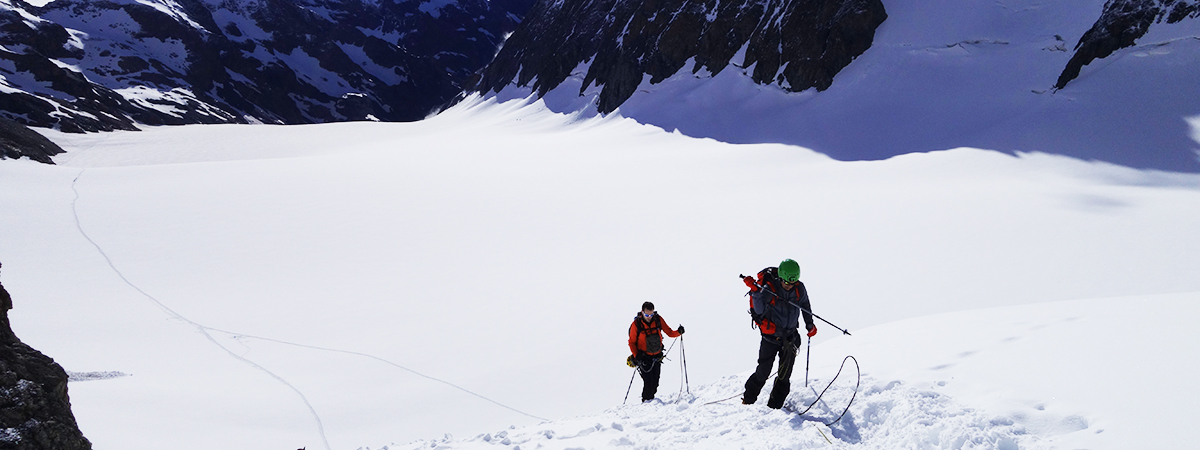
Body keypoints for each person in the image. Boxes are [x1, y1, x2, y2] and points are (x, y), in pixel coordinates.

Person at [740, 259, 816, 409]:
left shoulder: (799, 289)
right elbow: (760, 310)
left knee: (784, 376)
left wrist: (809, 324)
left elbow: (805, 305)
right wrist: (755, 292)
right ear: (780, 277)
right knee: (763, 372)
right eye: (787, 283)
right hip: (770, 338)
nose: (789, 286)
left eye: (792, 283)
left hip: (790, 337)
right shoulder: (769, 288)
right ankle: (748, 401)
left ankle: (775, 408)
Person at [626, 301, 683, 402]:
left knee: (655, 383)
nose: (649, 317)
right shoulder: (636, 325)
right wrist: (636, 355)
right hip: (643, 358)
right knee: (648, 383)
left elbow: (669, 332)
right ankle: (646, 402)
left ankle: (650, 403)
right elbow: (631, 342)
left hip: (657, 356)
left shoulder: (658, 320)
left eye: (651, 314)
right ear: (642, 312)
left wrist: (678, 332)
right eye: (647, 314)